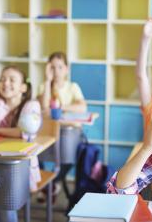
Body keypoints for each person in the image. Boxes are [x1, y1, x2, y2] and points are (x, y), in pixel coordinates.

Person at [0, 19, 42, 222]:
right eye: (3, 79)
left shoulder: (32, 106)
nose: (5, 83)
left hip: (16, 168)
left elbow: (25, 133)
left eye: (12, 80)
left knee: (6, 203)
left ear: (23, 87)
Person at [38, 52, 87, 203]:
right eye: (52, 67)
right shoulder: (43, 86)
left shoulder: (72, 87)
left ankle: (50, 183)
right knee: (37, 155)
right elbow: (43, 106)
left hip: (68, 133)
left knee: (68, 160)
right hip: (49, 132)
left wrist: (61, 107)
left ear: (66, 69)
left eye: (60, 67)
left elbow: (82, 107)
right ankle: (46, 182)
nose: (56, 71)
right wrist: (47, 81)